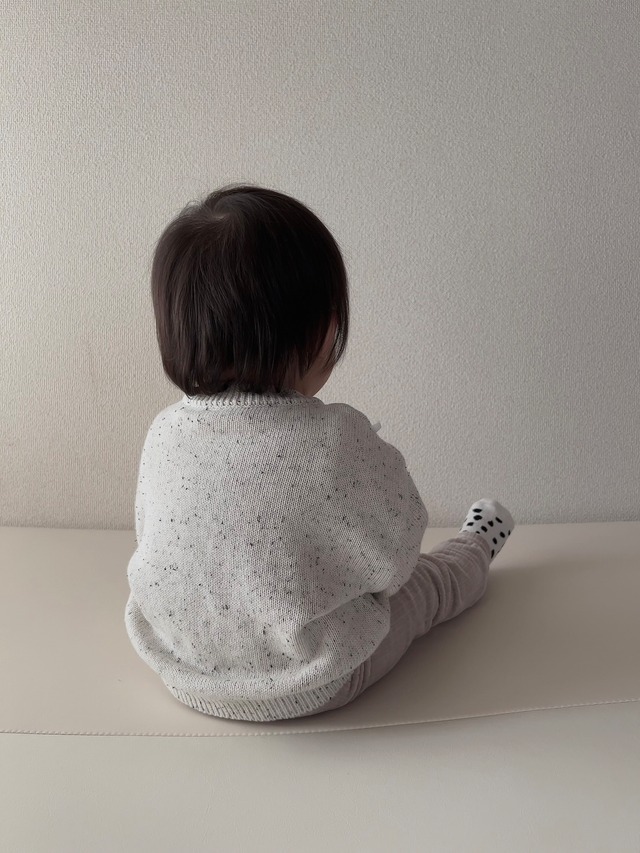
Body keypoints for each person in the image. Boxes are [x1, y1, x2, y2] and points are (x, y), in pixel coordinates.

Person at [124, 183, 515, 722]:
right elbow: (398, 555)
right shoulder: (335, 440)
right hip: (316, 682)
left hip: (183, 668)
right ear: (324, 329)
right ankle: (478, 544)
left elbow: (158, 540)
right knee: (428, 586)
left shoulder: (165, 432)